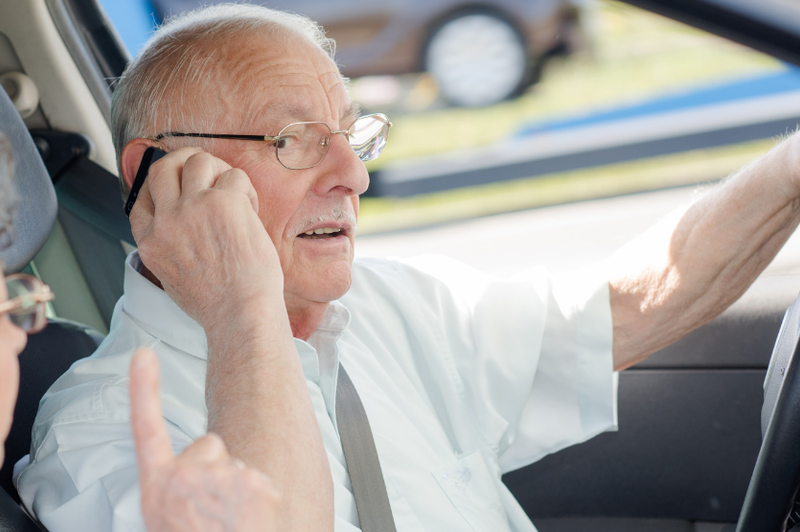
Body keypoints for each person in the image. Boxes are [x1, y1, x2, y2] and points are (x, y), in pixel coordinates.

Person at [15, 3, 800, 532]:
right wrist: (240, 310)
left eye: (351, 136)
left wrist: (789, 174)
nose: (352, 178)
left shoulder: (385, 307)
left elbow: (618, 311)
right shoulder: (103, 438)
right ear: (162, 172)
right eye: (294, 140)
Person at [0, 134, 281, 530]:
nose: (17, 337)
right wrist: (246, 309)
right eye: (285, 143)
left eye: (13, 303)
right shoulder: (96, 433)